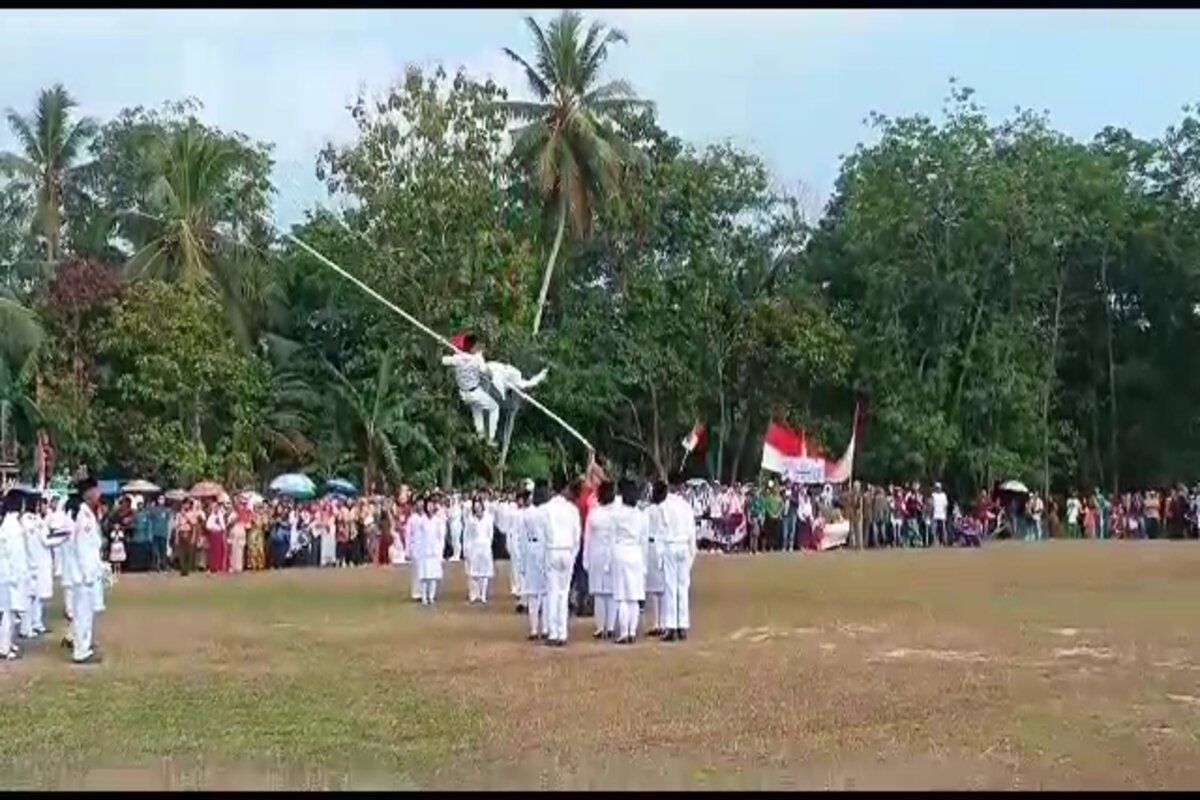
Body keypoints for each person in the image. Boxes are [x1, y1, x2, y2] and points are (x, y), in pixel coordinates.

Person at [655, 476, 698, 642]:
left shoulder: (663, 506)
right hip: (683, 547)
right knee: (682, 587)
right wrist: (691, 555)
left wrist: (659, 558)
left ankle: (671, 626)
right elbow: (692, 533)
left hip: (669, 546)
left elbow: (660, 533)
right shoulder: (686, 506)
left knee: (670, 588)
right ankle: (682, 626)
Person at [541, 477, 582, 647]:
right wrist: (573, 554)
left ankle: (552, 632)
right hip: (567, 550)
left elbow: (543, 534)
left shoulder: (546, 509)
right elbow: (577, 534)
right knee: (563, 593)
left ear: (552, 488)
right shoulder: (572, 509)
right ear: (565, 488)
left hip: (552, 550)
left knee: (552, 591)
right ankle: (562, 632)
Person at [68, 477, 104, 665]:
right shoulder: (84, 518)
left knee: (88, 612)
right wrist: (88, 574)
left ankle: (85, 645)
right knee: (82, 612)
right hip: (84, 575)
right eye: (96, 491)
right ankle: (80, 650)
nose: (99, 494)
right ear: (88, 494)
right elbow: (82, 548)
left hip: (89, 572)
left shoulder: (89, 515)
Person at [441, 333, 500, 445]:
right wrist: (482, 360)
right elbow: (486, 372)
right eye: (476, 345)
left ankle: (480, 433)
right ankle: (491, 439)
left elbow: (443, 360)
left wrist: (443, 345)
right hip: (474, 392)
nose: (478, 347)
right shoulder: (477, 359)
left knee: (476, 407)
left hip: (463, 394)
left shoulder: (457, 358)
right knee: (494, 408)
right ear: (472, 347)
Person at [610, 479, 648, 645]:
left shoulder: (616, 515)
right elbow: (644, 541)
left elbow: (611, 538)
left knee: (622, 596)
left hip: (620, 552)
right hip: (636, 554)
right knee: (634, 596)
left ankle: (624, 632)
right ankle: (632, 631)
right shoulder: (641, 516)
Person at [583, 481, 617, 639]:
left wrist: (585, 558)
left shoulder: (594, 514)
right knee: (611, 592)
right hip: (613, 554)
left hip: (596, 553)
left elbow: (587, 538)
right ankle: (610, 627)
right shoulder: (617, 514)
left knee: (599, 593)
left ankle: (600, 626)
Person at [0, 491, 29, 660]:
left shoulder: (7, 524)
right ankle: (4, 647)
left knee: (7, 613)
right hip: (11, 576)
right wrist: (20, 577)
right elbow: (16, 555)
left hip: (6, 574)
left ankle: (7, 644)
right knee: (8, 613)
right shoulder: (14, 528)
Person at [21, 495, 54, 638]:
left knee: (37, 596)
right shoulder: (32, 521)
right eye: (40, 504)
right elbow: (46, 540)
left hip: (36, 561)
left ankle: (36, 623)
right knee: (30, 596)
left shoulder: (30, 520)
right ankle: (26, 627)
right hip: (32, 562)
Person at [520, 486, 549, 641]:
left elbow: (522, 540)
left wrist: (522, 564)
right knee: (544, 592)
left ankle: (533, 629)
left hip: (532, 549)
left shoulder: (528, 514)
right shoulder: (548, 513)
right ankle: (544, 628)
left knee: (533, 593)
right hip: (544, 549)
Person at [413, 496, 444, 605]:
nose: (430, 507)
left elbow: (440, 536)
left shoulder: (438, 521)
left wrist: (440, 550)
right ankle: (424, 596)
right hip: (424, 550)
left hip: (434, 550)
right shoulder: (421, 521)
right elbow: (418, 537)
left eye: (432, 505)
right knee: (424, 575)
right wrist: (417, 550)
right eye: (428, 505)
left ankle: (431, 596)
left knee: (433, 575)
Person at [464, 498, 495, 604]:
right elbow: (467, 535)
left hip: (485, 547)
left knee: (484, 573)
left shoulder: (489, 519)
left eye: (479, 507)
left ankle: (483, 594)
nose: (477, 509)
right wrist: (467, 549)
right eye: (475, 508)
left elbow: (490, 533)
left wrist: (487, 544)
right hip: (474, 547)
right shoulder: (470, 520)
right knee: (473, 573)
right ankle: (474, 594)